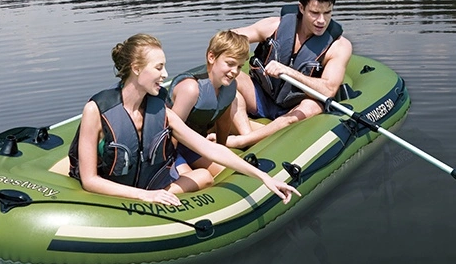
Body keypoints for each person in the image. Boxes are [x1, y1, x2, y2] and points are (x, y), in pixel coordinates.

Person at [67, 33, 301, 207]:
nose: (166, 74)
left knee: (202, 176)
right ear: (136, 68)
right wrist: (145, 196)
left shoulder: (161, 112)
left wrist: (264, 178)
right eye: (159, 67)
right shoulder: (96, 110)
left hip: (150, 182)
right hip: (120, 190)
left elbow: (211, 149)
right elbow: (89, 180)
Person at [226, 0, 353, 150]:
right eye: (315, 13)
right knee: (229, 79)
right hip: (261, 96)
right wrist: (233, 57)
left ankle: (243, 141)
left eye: (327, 13)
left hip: (296, 105)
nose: (321, 20)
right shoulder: (274, 26)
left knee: (313, 106)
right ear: (301, 8)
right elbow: (228, 39)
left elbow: (329, 90)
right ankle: (248, 134)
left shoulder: (339, 46)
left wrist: (289, 72)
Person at [167, 30, 250, 179]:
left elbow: (224, 121)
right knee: (192, 179)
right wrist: (167, 164)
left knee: (228, 172)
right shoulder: (191, 89)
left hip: (193, 144)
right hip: (169, 147)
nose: (235, 71)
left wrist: (221, 151)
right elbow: (172, 131)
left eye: (239, 66)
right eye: (230, 64)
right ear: (211, 57)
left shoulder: (230, 87)